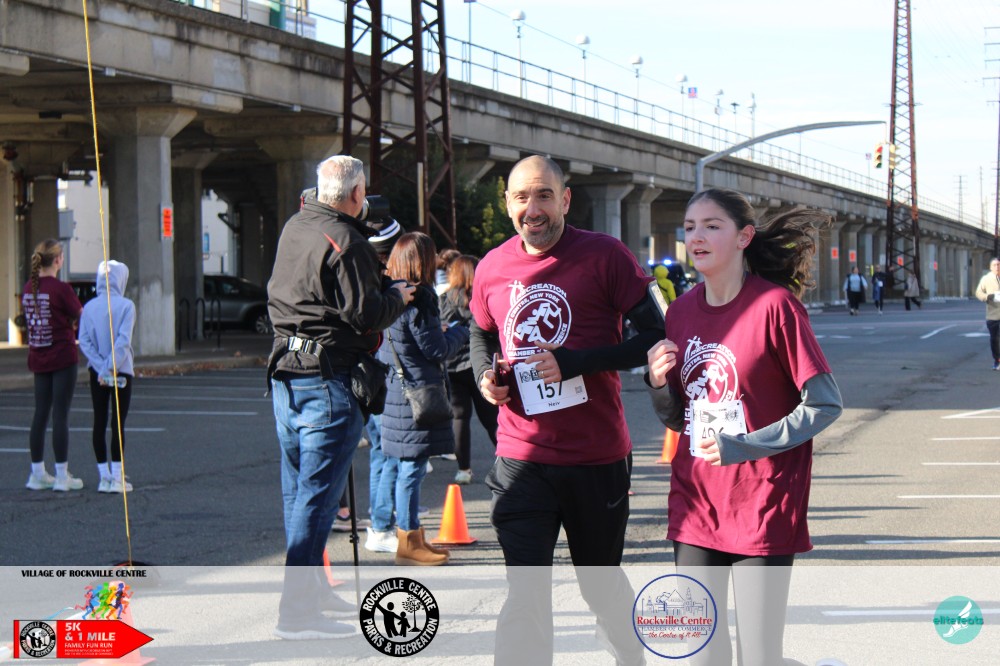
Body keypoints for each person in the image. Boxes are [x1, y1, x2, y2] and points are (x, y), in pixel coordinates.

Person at [470, 155, 665, 665]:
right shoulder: (492, 265)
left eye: (543, 195)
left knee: (598, 584)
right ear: (507, 204)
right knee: (525, 593)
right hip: (521, 456)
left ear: (565, 199)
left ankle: (630, 656)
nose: (532, 208)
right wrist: (485, 376)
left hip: (594, 457)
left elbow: (656, 333)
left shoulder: (606, 256)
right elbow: (481, 331)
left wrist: (576, 362)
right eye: (521, 197)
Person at [646, 188, 843, 665]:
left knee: (758, 656)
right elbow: (678, 417)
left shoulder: (775, 307)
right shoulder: (680, 312)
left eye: (712, 226)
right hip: (695, 505)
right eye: (690, 227)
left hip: (761, 504)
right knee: (699, 653)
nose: (697, 236)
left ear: (744, 237)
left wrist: (746, 445)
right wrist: (657, 383)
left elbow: (825, 404)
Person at [265, 155, 414, 640]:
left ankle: (311, 593)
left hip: (286, 374)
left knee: (300, 495)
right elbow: (366, 315)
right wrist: (397, 296)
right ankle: (296, 613)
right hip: (327, 379)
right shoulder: (346, 240)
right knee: (316, 501)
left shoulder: (296, 225)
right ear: (356, 194)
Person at [378, 231, 469, 566]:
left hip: (395, 391)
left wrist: (437, 331)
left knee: (400, 465)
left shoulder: (390, 295)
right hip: (417, 394)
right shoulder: (420, 298)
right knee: (411, 469)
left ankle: (409, 536)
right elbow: (435, 349)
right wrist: (459, 331)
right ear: (423, 261)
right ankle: (409, 542)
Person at [22, 239, 84, 492]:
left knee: (40, 413)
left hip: (39, 356)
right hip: (62, 356)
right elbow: (80, 314)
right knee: (60, 414)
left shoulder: (29, 288)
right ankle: (61, 475)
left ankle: (37, 473)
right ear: (57, 260)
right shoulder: (61, 289)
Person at [78, 260, 136, 493]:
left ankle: (104, 477)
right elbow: (123, 341)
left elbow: (84, 341)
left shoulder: (89, 307)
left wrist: (101, 368)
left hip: (97, 371)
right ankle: (118, 476)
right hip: (122, 370)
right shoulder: (127, 306)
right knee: (118, 423)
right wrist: (111, 367)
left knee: (99, 421)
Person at [439, 254, 498, 485]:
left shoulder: (444, 299)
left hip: (453, 367)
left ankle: (463, 469)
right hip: (480, 365)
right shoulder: (482, 296)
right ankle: (506, 460)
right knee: (492, 418)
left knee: (460, 417)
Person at [974, 257, 1000, 370]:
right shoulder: (986, 279)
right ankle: (997, 360)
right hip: (992, 314)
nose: (997, 267)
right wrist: (987, 297)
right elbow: (978, 293)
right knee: (995, 339)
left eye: (998, 265)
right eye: (995, 265)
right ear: (990, 267)